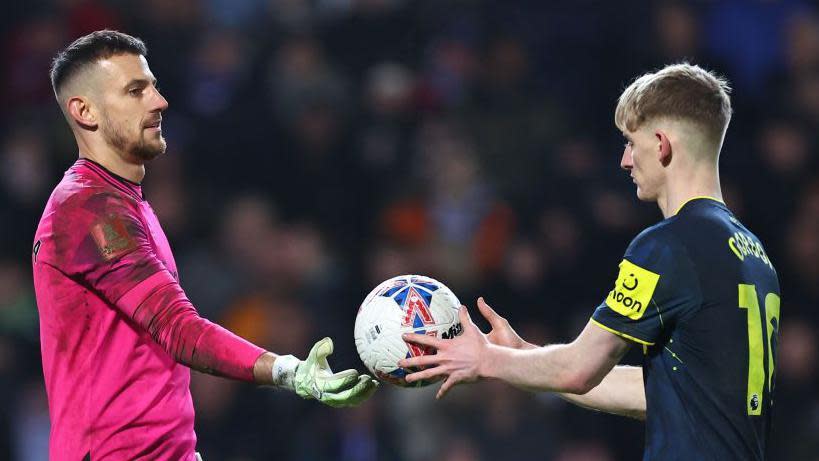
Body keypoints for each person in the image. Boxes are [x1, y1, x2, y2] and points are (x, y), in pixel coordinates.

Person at [400, 63, 781, 460]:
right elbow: (665, 394)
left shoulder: (668, 247)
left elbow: (579, 370)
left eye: (631, 143)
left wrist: (487, 359)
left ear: (662, 144)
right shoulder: (752, 252)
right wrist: (525, 356)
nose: (625, 160)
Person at [33, 30, 377, 461]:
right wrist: (289, 371)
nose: (159, 102)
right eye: (135, 91)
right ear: (84, 111)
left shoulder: (124, 203)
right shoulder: (87, 210)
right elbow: (178, 329)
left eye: (153, 86)